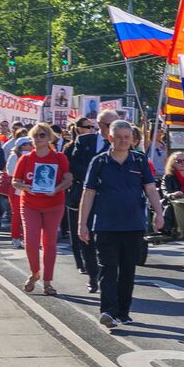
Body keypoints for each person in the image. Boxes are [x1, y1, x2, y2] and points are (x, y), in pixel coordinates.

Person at [78, 120, 163, 329]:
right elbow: (88, 193)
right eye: (119, 137)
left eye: (127, 137)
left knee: (127, 271)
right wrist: (82, 224)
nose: (124, 141)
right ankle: (108, 311)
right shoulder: (99, 162)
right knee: (108, 269)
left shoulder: (140, 161)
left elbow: (151, 190)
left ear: (132, 139)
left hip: (133, 225)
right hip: (106, 225)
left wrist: (159, 214)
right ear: (110, 138)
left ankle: (123, 312)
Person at [13, 123, 71, 296]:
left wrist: (58, 188)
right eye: (36, 135)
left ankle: (48, 281)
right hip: (30, 203)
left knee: (49, 243)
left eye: (42, 135)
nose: (39, 138)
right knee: (30, 240)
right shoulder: (25, 159)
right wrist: (25, 187)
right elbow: (15, 180)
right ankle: (34, 273)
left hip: (53, 204)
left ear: (50, 137)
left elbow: (68, 179)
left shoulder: (59, 158)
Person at [68, 112, 117, 290]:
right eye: (108, 125)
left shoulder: (119, 144)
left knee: (107, 238)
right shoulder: (84, 141)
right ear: (99, 125)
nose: (111, 129)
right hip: (85, 195)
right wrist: (92, 178)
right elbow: (73, 164)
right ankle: (92, 275)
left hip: (108, 198)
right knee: (85, 236)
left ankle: (107, 275)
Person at [5, 137, 33, 250]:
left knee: (28, 216)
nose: (31, 146)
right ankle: (15, 237)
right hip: (17, 190)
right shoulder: (14, 156)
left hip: (28, 189)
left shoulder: (32, 155)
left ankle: (26, 238)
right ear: (22, 146)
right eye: (28, 144)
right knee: (17, 214)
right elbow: (10, 172)